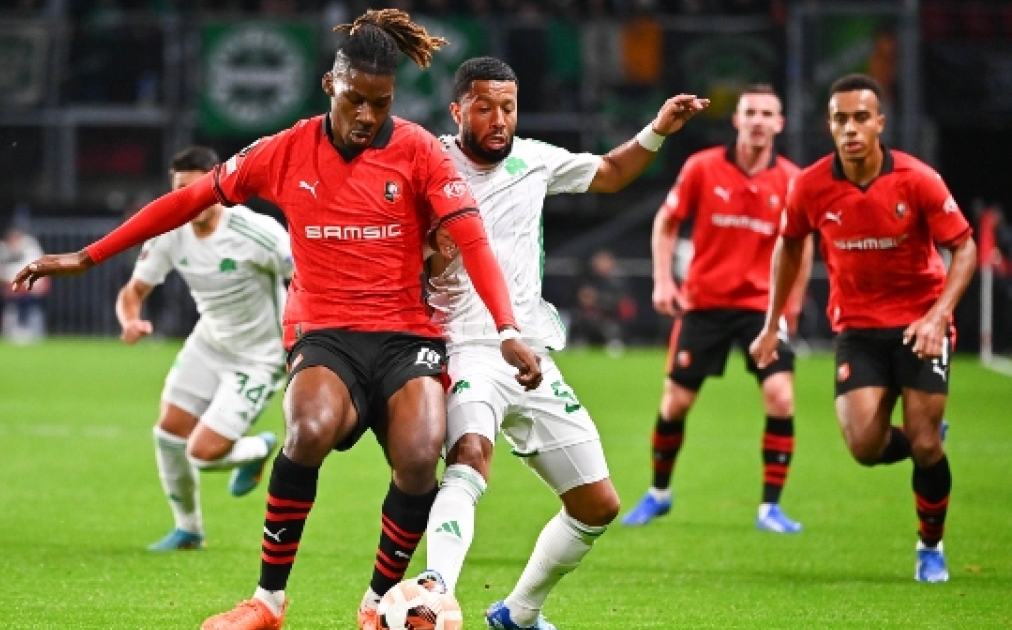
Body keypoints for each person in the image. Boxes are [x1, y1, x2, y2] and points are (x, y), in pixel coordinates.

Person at [11, 10, 543, 630]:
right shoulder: (284, 151)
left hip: (405, 335)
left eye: (380, 103)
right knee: (309, 430)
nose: (367, 116)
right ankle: (267, 602)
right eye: (355, 99)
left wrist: (507, 329)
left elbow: (471, 238)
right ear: (329, 85)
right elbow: (189, 199)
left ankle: (379, 604)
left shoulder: (420, 151)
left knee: (422, 455)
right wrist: (88, 256)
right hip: (325, 332)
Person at [413, 57, 707, 630]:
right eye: (483, 107)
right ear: (456, 111)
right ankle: (433, 592)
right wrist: (429, 253)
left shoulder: (534, 160)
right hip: (463, 348)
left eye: (508, 107)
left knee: (597, 504)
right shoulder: (429, 163)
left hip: (531, 356)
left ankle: (518, 612)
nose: (499, 119)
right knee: (469, 458)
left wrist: (657, 129)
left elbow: (612, 172)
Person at [750, 73, 977, 582]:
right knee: (863, 448)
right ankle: (923, 438)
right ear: (829, 126)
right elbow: (789, 247)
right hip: (857, 329)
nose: (850, 128)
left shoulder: (918, 179)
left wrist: (938, 315)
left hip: (920, 325)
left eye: (860, 118)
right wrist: (771, 324)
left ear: (879, 123)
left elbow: (964, 247)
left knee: (924, 444)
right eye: (840, 119)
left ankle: (930, 547)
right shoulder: (810, 186)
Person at [620, 84, 810, 533]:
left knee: (781, 396)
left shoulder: (793, 180)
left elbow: (802, 246)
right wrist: (663, 279)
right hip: (704, 303)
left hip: (762, 309)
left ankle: (770, 509)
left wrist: (793, 304)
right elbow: (666, 222)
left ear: (779, 124)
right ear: (737, 120)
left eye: (767, 113)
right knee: (675, 404)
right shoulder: (702, 167)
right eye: (751, 112)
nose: (759, 120)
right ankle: (659, 494)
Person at [116, 147, 291, 551]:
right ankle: (189, 530)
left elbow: (307, 276)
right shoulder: (168, 232)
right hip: (209, 343)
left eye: (197, 190)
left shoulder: (256, 231)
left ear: (218, 187)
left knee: (203, 452)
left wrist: (303, 339)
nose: (190, 199)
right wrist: (130, 320)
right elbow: (133, 291)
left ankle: (259, 447)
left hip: (260, 356)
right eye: (181, 190)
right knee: (168, 434)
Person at [0, 224, 49, 343]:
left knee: (27, 301)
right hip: (9, 289)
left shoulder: (31, 250)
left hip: (31, 288)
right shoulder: (1, 251)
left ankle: (26, 328)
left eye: (15, 239)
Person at [567, 249, 635, 353]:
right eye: (599, 261)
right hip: (587, 316)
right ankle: (578, 342)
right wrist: (584, 299)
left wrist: (597, 299)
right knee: (577, 319)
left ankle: (614, 342)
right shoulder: (587, 278)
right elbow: (576, 297)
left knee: (611, 326)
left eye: (605, 261)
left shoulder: (617, 281)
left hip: (608, 317)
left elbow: (620, 302)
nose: (602, 264)